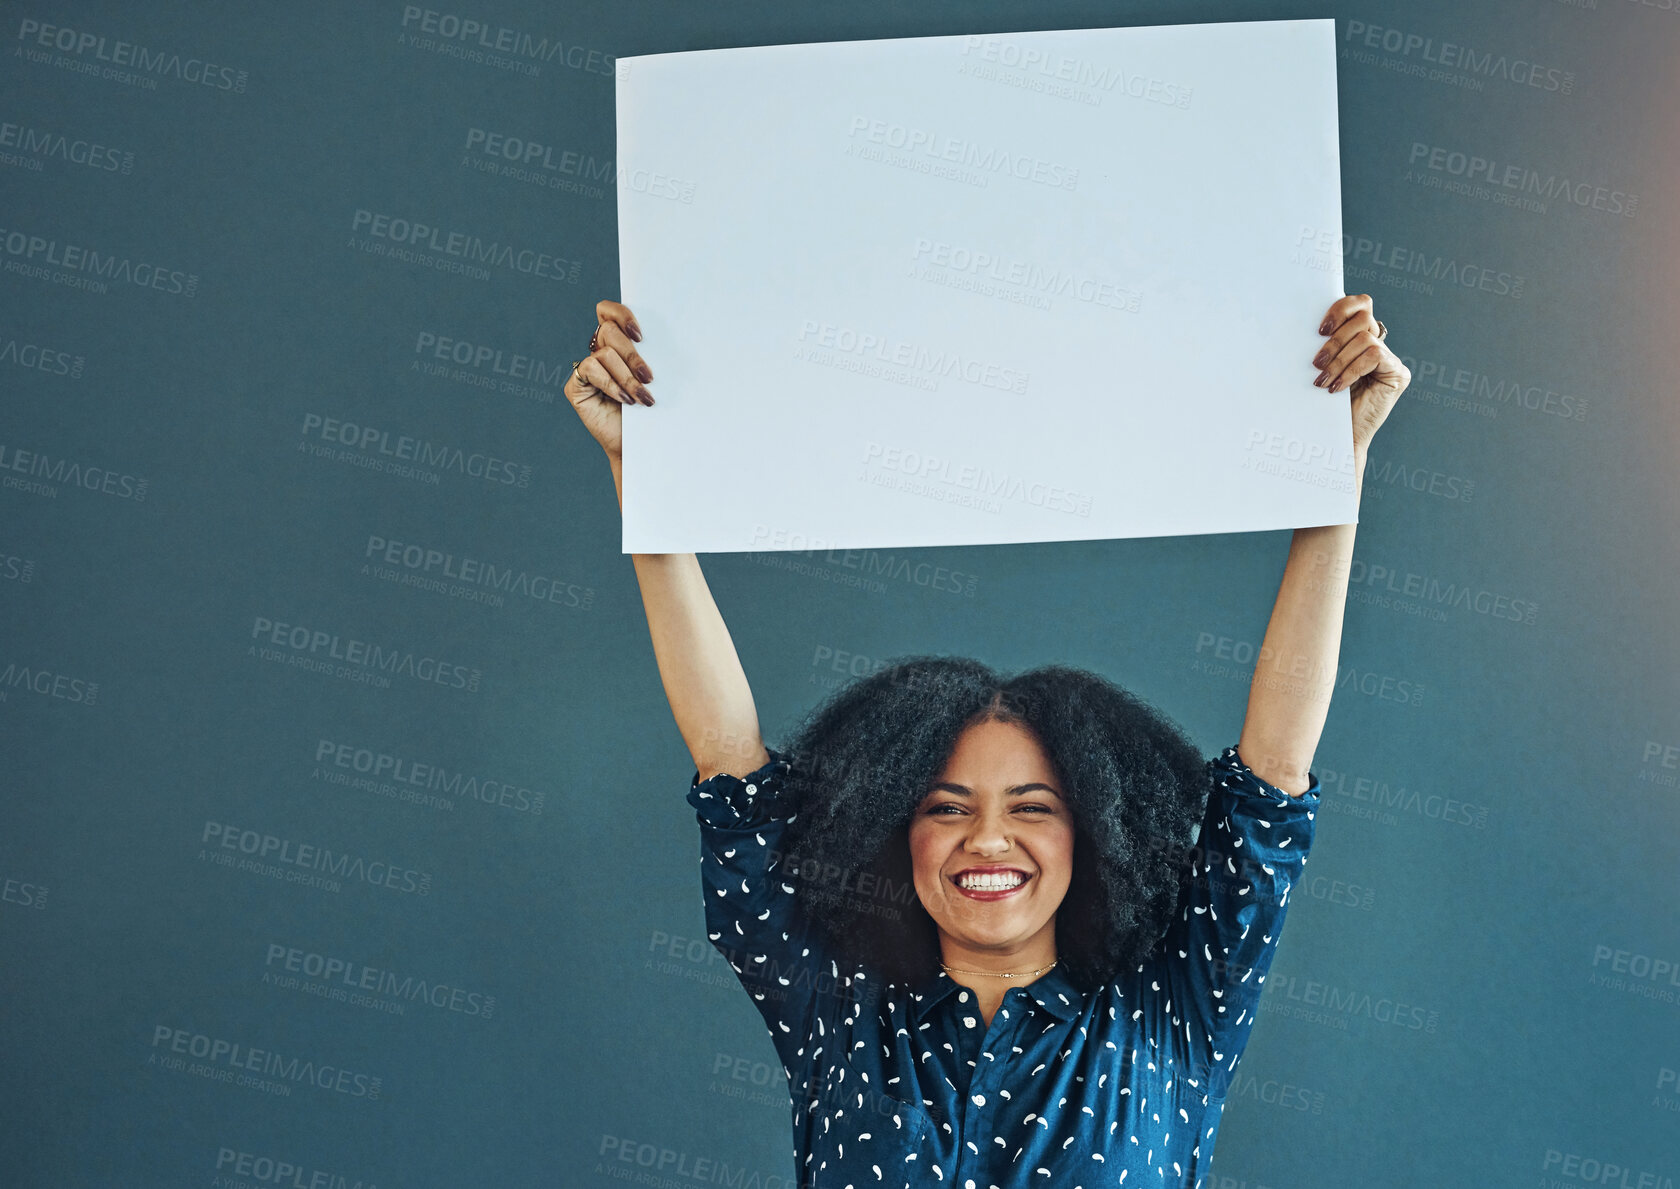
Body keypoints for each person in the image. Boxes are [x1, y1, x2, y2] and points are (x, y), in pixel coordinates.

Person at [564, 296, 1410, 1188]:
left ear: (1094, 837)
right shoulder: (840, 1015)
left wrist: (1336, 462)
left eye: (1033, 808)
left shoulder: (1174, 1017)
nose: (989, 839)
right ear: (899, 833)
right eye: (948, 806)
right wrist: (639, 465)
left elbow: (1272, 780)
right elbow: (727, 758)